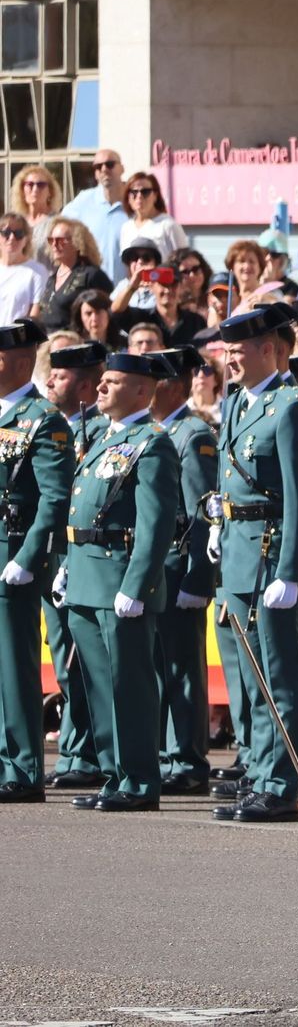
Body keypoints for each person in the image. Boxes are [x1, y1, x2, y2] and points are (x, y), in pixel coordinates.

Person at [208, 302, 298, 823]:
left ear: (269, 350)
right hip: (237, 552)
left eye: (237, 350)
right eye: (226, 351)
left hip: (270, 556)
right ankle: (258, 772)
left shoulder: (290, 407)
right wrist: (218, 523)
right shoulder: (236, 403)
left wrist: (291, 571)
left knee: (279, 677)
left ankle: (280, 787)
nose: (229, 359)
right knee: (251, 680)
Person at [59, 350, 179, 813]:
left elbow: (156, 523)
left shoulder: (151, 442)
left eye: (113, 380)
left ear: (142, 390)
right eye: (102, 379)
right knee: (99, 686)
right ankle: (115, 776)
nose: (101, 386)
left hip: (118, 579)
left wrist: (138, 584)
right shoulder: (101, 437)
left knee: (129, 685)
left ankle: (140, 781)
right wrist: (68, 566)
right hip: (86, 576)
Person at [0, 320, 71, 805]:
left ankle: (23, 769)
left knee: (14, 664)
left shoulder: (42, 419)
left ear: (22, 361)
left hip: (13, 551)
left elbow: (54, 497)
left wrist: (29, 555)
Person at [146, 346, 217, 796]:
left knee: (181, 668)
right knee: (154, 666)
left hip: (177, 564)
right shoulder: (152, 432)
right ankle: (159, 754)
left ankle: (187, 760)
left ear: (173, 386)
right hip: (152, 566)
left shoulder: (192, 435)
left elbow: (202, 513)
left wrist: (198, 578)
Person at [40, 340, 109, 790]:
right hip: (55, 556)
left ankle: (89, 752)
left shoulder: (102, 430)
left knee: (83, 659)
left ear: (85, 385)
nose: (50, 381)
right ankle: (75, 749)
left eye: (61, 376)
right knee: (64, 656)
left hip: (85, 556)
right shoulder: (52, 424)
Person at [60, 150, 130, 284]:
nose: (104, 169)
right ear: (95, 174)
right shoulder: (83, 201)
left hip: (128, 288)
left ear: (122, 168)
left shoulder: (135, 199)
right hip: (93, 287)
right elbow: (60, 229)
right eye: (98, 167)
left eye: (110, 164)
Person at [38, 217, 113, 332]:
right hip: (48, 341)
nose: (54, 244)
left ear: (77, 242)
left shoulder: (91, 275)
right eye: (51, 240)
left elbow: (108, 313)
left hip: (76, 340)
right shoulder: (52, 279)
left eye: (60, 240)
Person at [122, 261, 206, 347]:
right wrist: (132, 287)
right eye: (163, 284)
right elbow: (117, 312)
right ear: (151, 286)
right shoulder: (141, 318)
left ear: (180, 287)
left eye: (173, 285)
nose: (168, 290)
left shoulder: (196, 321)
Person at [118, 172, 188, 260]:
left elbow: (184, 261)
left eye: (145, 192)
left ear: (155, 196)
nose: (139, 196)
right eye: (134, 192)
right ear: (128, 197)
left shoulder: (168, 225)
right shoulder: (126, 228)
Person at [0, 212, 47, 323]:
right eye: (6, 233)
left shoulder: (37, 271)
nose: (12, 238)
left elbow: (35, 316)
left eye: (18, 233)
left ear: (26, 239)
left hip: (16, 333)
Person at [11, 165, 62, 265]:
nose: (35, 189)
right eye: (30, 184)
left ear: (50, 192)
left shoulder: (57, 223)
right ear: (22, 190)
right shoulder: (16, 222)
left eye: (41, 185)